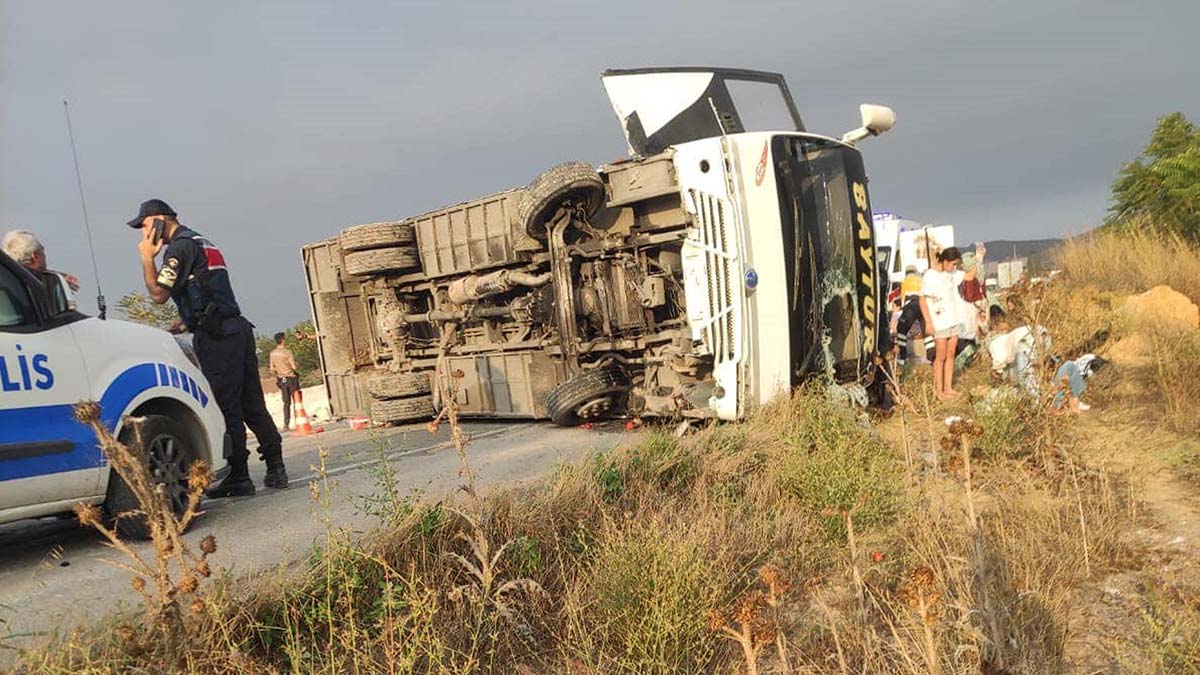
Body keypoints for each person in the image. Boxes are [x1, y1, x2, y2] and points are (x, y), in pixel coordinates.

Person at [128, 198, 288, 496]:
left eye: (145, 226)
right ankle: (276, 466)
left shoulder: (178, 247)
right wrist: (186, 319)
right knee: (252, 403)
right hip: (235, 328)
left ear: (160, 220)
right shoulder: (199, 240)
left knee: (227, 405)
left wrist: (147, 258)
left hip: (218, 336)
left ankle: (239, 476)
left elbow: (159, 294)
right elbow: (207, 288)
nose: (143, 234)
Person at [919, 246, 979, 400]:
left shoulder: (952, 273)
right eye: (952, 264)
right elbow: (922, 300)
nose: (954, 267)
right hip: (939, 321)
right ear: (944, 261)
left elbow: (970, 276)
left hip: (953, 320)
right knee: (940, 356)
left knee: (951, 354)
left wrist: (978, 258)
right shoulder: (930, 276)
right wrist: (928, 322)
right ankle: (938, 390)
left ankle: (948, 387)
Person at [2, 230, 80, 311]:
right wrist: (56, 280)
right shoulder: (44, 283)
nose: (45, 255)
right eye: (42, 251)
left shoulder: (8, 278)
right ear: (35, 256)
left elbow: (26, 271)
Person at [269, 332, 301, 431]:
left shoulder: (272, 353)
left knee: (286, 403)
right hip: (291, 378)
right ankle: (300, 421)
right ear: (283, 340)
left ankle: (286, 424)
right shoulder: (288, 352)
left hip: (281, 380)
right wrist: (296, 365)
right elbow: (294, 367)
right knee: (297, 401)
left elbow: (272, 369)